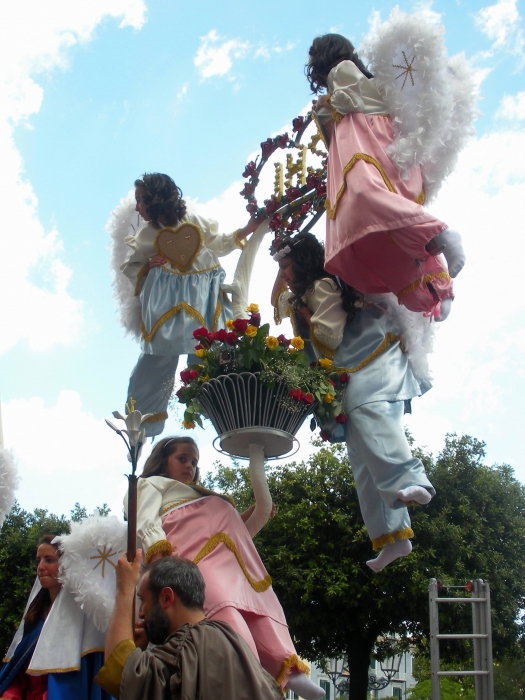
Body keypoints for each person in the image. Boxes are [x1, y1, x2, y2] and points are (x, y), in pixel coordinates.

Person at [272, 233, 435, 571]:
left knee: (368, 411)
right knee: (360, 451)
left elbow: (329, 337)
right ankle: (393, 537)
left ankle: (411, 481)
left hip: (375, 355)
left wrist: (302, 316)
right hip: (350, 368)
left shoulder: (325, 286)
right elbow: (294, 322)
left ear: (301, 263)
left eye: (286, 266)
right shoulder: (304, 293)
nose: (284, 273)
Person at [125, 436, 324, 700]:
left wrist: (243, 516)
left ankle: (288, 668)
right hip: (192, 557)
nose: (190, 466)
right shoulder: (150, 484)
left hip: (227, 558)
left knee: (257, 606)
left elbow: (221, 530)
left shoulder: (198, 493)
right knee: (222, 603)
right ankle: (247, 667)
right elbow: (146, 521)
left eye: (194, 461)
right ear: (162, 460)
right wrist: (160, 566)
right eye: (182, 459)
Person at [306, 34, 465, 320]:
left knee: (365, 200)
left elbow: (349, 101)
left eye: (315, 53)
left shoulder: (340, 71)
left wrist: (328, 105)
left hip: (363, 147)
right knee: (376, 233)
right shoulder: (353, 77)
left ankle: (440, 234)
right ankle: (436, 289)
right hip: (361, 147)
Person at [121, 172, 261, 437]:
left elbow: (218, 243)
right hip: (165, 306)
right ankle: (142, 422)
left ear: (155, 197)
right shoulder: (145, 236)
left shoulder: (194, 222)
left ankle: (228, 409)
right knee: (158, 358)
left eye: (140, 200)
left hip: (203, 300)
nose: (137, 207)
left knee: (208, 353)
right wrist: (147, 267)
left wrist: (247, 229)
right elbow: (131, 266)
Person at [95, 553, 285, 699]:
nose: (141, 613)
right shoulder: (230, 638)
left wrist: (124, 591)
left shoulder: (187, 644)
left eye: (143, 601)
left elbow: (120, 672)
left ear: (166, 598)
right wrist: (142, 654)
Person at [0, 536, 111, 700]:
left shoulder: (80, 621)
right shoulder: (35, 615)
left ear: (66, 566)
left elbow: (75, 683)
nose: (40, 567)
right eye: (38, 560)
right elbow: (19, 671)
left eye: (49, 560)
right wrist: (11, 695)